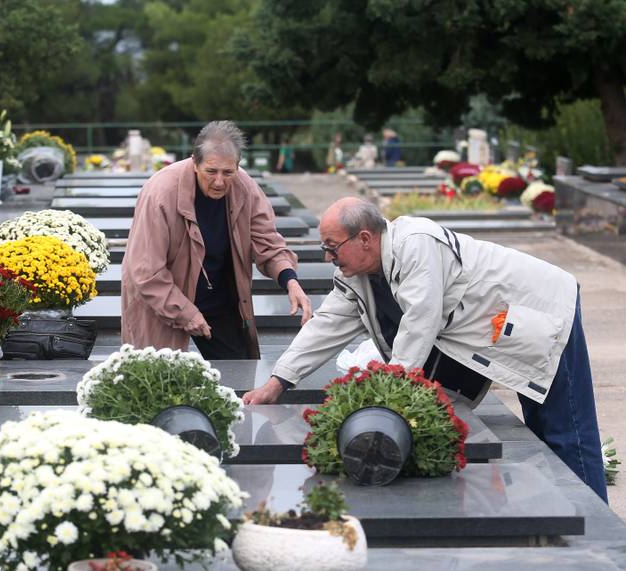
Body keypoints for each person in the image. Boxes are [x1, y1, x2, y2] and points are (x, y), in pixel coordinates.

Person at [243, 197, 608, 502]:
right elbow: (324, 327)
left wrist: (387, 400)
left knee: (567, 433)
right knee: (544, 432)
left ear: (365, 238)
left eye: (331, 247)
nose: (327, 258)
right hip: (499, 333)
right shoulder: (355, 275)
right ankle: (567, 512)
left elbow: (420, 324)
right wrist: (276, 383)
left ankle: (598, 543)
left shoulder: (417, 245)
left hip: (542, 312)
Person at [121, 121, 312, 359]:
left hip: (219, 299)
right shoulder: (160, 193)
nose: (220, 181)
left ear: (237, 166)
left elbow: (268, 242)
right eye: (211, 172)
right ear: (194, 162)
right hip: (163, 301)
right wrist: (186, 313)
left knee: (239, 378)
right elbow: (146, 272)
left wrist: (290, 280)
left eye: (228, 172)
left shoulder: (245, 188)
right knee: (159, 384)